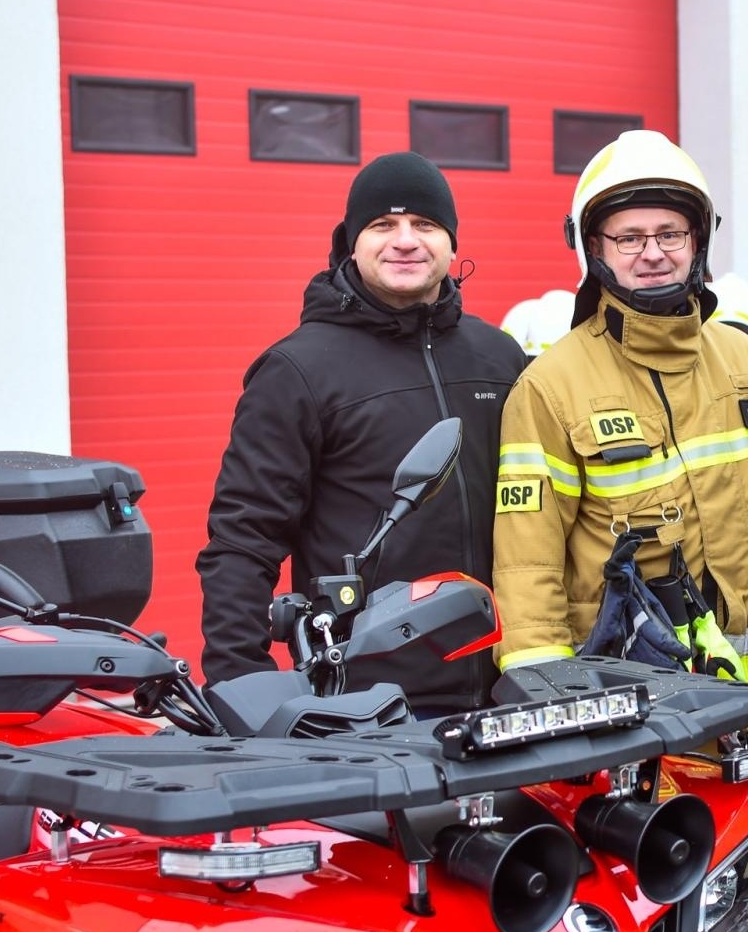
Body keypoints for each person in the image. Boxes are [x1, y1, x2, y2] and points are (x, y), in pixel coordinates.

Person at [198, 152, 527, 709]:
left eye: (425, 225)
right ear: (351, 241)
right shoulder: (298, 370)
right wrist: (239, 688)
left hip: (508, 689)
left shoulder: (499, 358)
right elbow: (242, 541)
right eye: (383, 225)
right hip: (365, 706)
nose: (405, 240)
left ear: (452, 245)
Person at [490, 130, 748, 686]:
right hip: (619, 709)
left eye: (669, 233)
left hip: (744, 707)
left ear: (698, 240)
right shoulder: (549, 387)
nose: (653, 253)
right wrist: (542, 688)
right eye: (629, 238)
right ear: (594, 248)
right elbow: (526, 564)